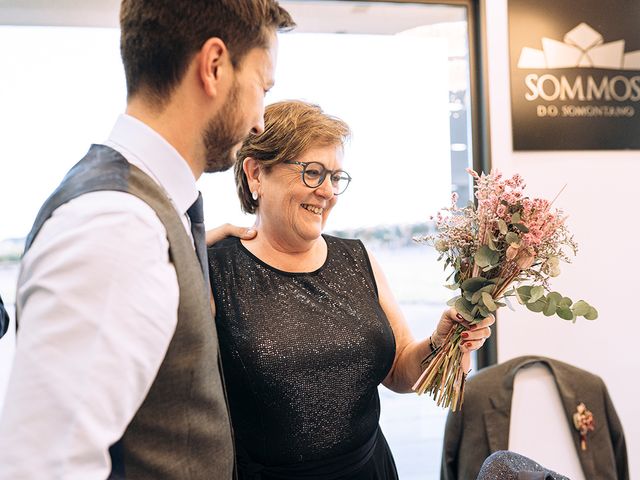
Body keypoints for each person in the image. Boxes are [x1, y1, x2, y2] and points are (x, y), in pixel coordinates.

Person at [0, 2, 294, 479]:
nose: (260, 121)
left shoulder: (150, 218)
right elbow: (43, 468)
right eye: (262, 87)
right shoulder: (117, 228)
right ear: (214, 66)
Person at [207, 100, 495, 479]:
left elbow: (398, 371)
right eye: (312, 172)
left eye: (335, 177)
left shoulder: (356, 258)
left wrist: (440, 343)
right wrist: (182, 242)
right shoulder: (216, 271)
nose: (327, 191)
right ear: (255, 173)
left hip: (370, 469)